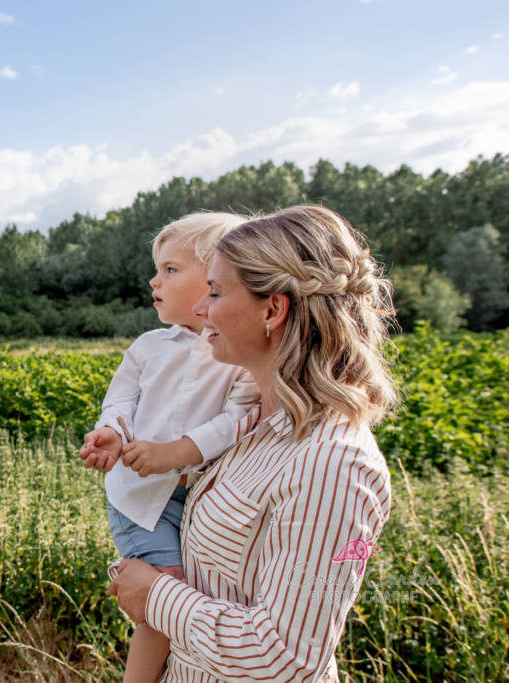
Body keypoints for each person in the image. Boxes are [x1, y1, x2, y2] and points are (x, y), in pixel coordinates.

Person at [108, 205, 398, 682]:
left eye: (216, 292)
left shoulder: (334, 462)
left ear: (272, 309)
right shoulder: (253, 424)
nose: (200, 309)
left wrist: (155, 596)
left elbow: (286, 660)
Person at [79, 212, 258, 682]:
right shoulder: (149, 345)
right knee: (165, 593)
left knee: (199, 596)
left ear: (216, 279)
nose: (154, 280)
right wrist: (113, 434)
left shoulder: (237, 356)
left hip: (198, 497)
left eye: (171, 270)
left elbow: (239, 418)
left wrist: (179, 451)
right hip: (140, 500)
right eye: (159, 270)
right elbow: (120, 399)